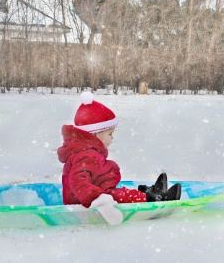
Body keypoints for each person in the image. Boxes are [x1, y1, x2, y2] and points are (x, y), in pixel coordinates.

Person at [57, 92, 181, 225]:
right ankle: (154, 198)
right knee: (120, 195)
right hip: (86, 200)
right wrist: (98, 199)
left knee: (119, 192)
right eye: (110, 134)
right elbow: (77, 181)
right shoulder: (87, 155)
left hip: (91, 194)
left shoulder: (86, 152)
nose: (112, 138)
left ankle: (148, 193)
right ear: (94, 135)